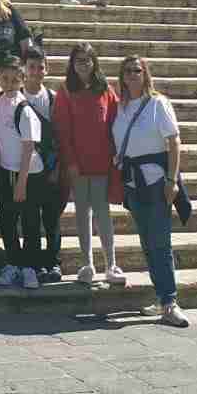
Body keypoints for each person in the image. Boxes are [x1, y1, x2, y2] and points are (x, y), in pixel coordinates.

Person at [113, 55, 188, 326]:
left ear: (145, 74)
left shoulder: (158, 103)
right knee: (147, 243)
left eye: (137, 70)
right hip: (133, 183)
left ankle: (170, 301)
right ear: (121, 77)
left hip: (156, 181)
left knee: (160, 242)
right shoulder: (120, 106)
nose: (132, 75)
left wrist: (172, 180)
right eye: (127, 71)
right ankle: (161, 296)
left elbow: (174, 142)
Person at [56, 41, 124, 287]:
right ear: (72, 65)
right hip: (78, 164)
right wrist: (70, 162)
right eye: (78, 61)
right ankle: (87, 263)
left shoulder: (105, 89)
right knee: (82, 214)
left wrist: (116, 158)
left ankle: (111, 264)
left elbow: (116, 123)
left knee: (103, 213)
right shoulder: (65, 90)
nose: (83, 65)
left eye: (87, 60)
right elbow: (63, 130)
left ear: (94, 62)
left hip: (102, 162)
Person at [0, 55, 45, 290]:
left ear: (22, 79)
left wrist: (22, 181)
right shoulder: (1, 100)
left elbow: (28, 147)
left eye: (15, 80)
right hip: (6, 171)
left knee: (30, 221)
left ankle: (30, 268)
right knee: (7, 220)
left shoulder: (24, 109)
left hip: (28, 173)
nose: (9, 83)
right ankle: (13, 262)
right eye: (5, 79)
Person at [20, 46, 64, 282]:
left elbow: (60, 136)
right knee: (29, 218)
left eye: (40, 67)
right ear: (24, 69)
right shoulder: (16, 97)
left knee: (51, 218)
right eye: (32, 67)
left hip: (50, 166)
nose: (36, 71)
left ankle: (54, 262)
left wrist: (56, 168)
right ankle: (34, 263)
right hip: (26, 167)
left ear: (47, 69)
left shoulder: (54, 98)